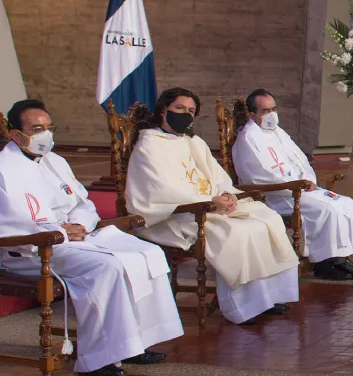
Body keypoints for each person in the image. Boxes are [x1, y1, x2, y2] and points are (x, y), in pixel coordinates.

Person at [0, 99, 182, 376]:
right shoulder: (1, 169)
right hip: (33, 251)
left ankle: (133, 343)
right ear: (14, 133)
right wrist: (63, 232)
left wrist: (79, 224)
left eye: (49, 127)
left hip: (73, 238)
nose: (46, 134)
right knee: (106, 268)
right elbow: (8, 224)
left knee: (147, 253)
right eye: (37, 128)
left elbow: (81, 201)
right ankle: (98, 358)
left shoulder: (56, 161)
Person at [126, 87, 300, 326]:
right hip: (179, 214)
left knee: (267, 219)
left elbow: (217, 176)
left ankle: (265, 298)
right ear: (163, 111)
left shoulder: (193, 142)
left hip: (210, 206)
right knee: (238, 232)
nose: (185, 115)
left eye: (191, 111)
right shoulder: (148, 145)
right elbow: (158, 188)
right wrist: (208, 202)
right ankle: (241, 307)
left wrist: (226, 194)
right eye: (179, 108)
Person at [231, 88, 353, 281]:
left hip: (300, 189)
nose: (272, 114)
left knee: (344, 202)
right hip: (278, 196)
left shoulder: (277, 132)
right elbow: (257, 176)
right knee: (327, 209)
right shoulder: (248, 138)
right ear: (253, 114)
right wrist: (295, 185)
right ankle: (324, 263)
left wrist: (308, 180)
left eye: (274, 109)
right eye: (265, 111)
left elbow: (300, 160)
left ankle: (340, 259)